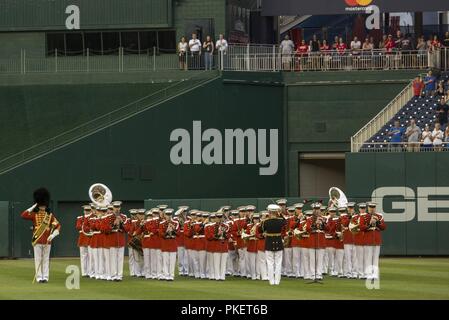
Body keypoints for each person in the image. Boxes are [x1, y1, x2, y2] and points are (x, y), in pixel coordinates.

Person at [21, 188, 61, 283]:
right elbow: (23, 215)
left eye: (43, 206)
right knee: (38, 259)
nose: (42, 207)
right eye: (40, 205)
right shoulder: (34, 214)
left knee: (46, 259)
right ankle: (39, 277)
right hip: (37, 239)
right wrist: (33, 206)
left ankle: (45, 277)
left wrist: (53, 235)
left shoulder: (50, 216)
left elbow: (58, 225)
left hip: (47, 240)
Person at [258, 204, 286, 285]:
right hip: (278, 242)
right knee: (278, 263)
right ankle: (277, 281)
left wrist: (262, 220)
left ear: (269, 212)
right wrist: (280, 213)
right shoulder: (280, 220)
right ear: (277, 212)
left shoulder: (266, 221)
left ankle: (271, 281)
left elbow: (260, 230)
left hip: (269, 243)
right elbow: (285, 222)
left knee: (270, 263)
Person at [361, 203, 386, 281]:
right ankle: (368, 274)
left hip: (376, 239)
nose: (372, 209)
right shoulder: (363, 216)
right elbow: (361, 227)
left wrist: (377, 222)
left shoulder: (379, 216)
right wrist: (369, 224)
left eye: (373, 207)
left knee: (375, 258)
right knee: (368, 258)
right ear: (368, 208)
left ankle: (375, 274)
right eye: (370, 207)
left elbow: (384, 227)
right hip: (368, 239)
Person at [159, 208, 179, 281]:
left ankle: (171, 275)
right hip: (165, 243)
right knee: (165, 261)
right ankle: (166, 275)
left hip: (173, 243)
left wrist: (173, 229)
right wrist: (167, 231)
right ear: (165, 215)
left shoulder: (176, 223)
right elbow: (160, 234)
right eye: (167, 215)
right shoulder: (162, 223)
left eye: (170, 215)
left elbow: (178, 234)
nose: (169, 216)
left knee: (172, 261)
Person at [76, 205, 92, 277]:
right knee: (83, 256)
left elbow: (91, 227)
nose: (86, 212)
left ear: (90, 211)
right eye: (85, 210)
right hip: (82, 238)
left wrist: (84, 227)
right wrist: (86, 227)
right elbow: (78, 227)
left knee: (90, 256)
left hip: (89, 238)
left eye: (88, 210)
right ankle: (84, 272)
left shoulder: (92, 218)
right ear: (84, 211)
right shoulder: (80, 218)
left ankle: (89, 272)